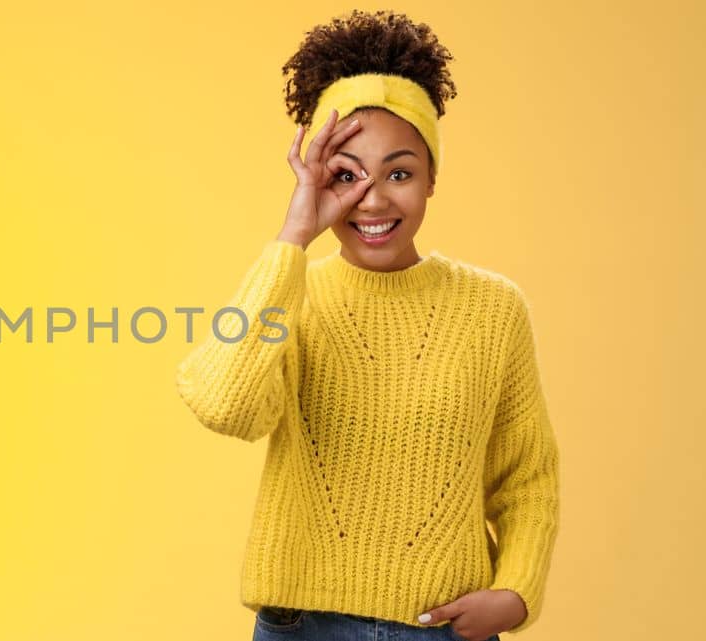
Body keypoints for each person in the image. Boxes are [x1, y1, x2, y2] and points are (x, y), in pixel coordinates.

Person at [173, 10, 561, 641]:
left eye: (399, 173)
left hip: (438, 628)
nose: (373, 200)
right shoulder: (288, 292)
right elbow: (224, 405)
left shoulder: (494, 309)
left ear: (432, 178)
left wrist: (516, 593)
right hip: (301, 627)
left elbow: (527, 475)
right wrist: (294, 235)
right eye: (346, 176)